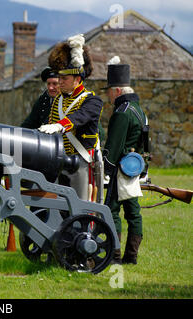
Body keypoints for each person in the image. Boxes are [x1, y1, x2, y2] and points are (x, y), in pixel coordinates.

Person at [38, 34, 103, 202]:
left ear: (77, 79)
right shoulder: (58, 100)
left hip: (81, 162)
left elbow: (79, 117)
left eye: (64, 78)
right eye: (59, 78)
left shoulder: (92, 100)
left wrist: (60, 126)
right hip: (60, 161)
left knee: (81, 205)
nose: (59, 82)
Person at [103, 58, 147, 265]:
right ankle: (132, 256)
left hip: (119, 170)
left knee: (111, 211)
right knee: (133, 212)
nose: (108, 95)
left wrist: (106, 169)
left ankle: (114, 255)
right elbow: (145, 145)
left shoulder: (122, 113)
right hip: (133, 168)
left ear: (118, 91)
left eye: (110, 91)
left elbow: (113, 147)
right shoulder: (139, 111)